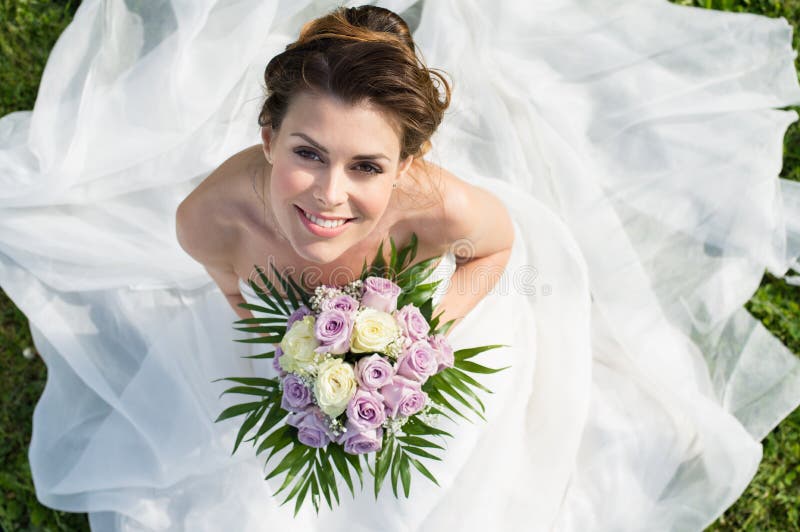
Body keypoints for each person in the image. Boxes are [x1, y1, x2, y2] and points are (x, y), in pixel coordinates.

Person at [1, 1, 799, 531]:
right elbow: (228, 287)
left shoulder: (445, 208)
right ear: (268, 134)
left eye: (366, 167)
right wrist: (286, 349)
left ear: (409, 160)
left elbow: (496, 251)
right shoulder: (206, 219)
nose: (328, 196)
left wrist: (418, 343)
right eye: (307, 153)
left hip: (424, 342)